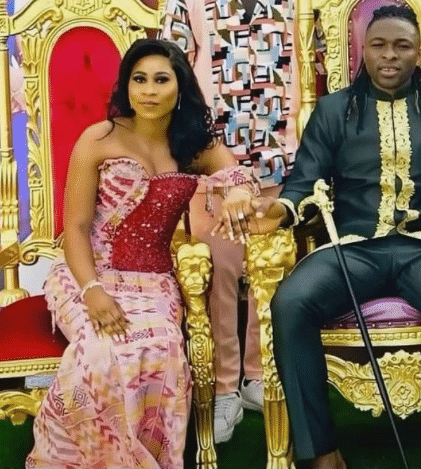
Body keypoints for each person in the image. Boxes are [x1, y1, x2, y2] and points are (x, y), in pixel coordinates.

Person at [217, 4, 421, 469]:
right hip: (353, 248)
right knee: (291, 301)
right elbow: (302, 185)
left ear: (419, 52)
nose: (390, 56)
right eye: (379, 45)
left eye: (402, 46)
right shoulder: (333, 110)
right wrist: (277, 210)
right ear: (363, 50)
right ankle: (322, 454)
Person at [26, 39, 260, 469]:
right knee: (100, 354)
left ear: (180, 87)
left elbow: (235, 175)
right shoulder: (100, 138)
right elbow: (74, 227)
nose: (149, 91)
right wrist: (93, 292)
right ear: (126, 86)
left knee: (161, 348)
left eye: (161, 80)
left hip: (154, 281)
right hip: (87, 272)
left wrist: (238, 193)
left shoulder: (194, 145)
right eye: (139, 80)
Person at [161, 0, 299, 442]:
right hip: (213, 168)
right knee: (219, 274)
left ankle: (260, 379)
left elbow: (317, 68)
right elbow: (172, 80)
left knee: (272, 272)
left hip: (282, 161)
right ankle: (222, 388)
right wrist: (197, 156)